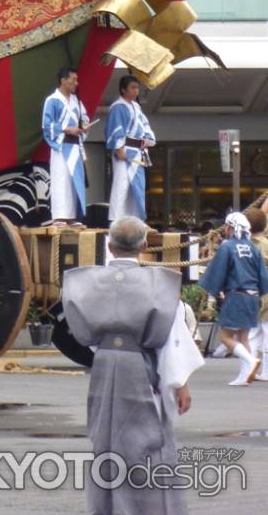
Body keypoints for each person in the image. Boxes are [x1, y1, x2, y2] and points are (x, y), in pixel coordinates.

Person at [62, 217, 203, 515]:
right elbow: (172, 338)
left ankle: (107, 509)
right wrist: (180, 383)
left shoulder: (86, 283)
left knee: (106, 441)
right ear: (145, 246)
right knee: (146, 443)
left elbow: (82, 333)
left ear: (109, 247)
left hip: (104, 365)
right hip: (141, 366)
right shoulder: (159, 286)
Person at [199, 211, 268, 385]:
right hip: (253, 296)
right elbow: (263, 276)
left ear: (231, 227)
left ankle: (251, 361)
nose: (225, 229)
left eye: (226, 226)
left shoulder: (228, 247)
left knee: (226, 337)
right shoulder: (253, 247)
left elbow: (217, 272)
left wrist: (213, 289)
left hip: (236, 295)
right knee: (243, 337)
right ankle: (245, 375)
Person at [104, 74, 156, 222]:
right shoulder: (117, 107)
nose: (136, 91)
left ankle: (134, 221)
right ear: (123, 89)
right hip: (125, 151)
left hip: (138, 152)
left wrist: (148, 139)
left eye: (137, 88)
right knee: (122, 186)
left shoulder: (136, 107)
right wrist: (119, 148)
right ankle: (116, 220)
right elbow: (115, 128)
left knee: (136, 188)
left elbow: (145, 126)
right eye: (132, 88)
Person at [41, 66, 89, 225]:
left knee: (74, 180)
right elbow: (46, 125)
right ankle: (59, 216)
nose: (76, 83)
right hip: (61, 145)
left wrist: (84, 126)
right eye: (73, 79)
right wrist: (67, 129)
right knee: (61, 179)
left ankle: (71, 216)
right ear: (63, 80)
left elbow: (84, 118)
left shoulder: (76, 101)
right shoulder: (52, 100)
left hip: (75, 146)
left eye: (77, 80)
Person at [246, 206, 268, 381]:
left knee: (253, 333)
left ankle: (249, 368)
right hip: (266, 291)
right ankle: (266, 370)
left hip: (249, 290)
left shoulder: (242, 245)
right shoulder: (266, 244)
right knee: (267, 331)